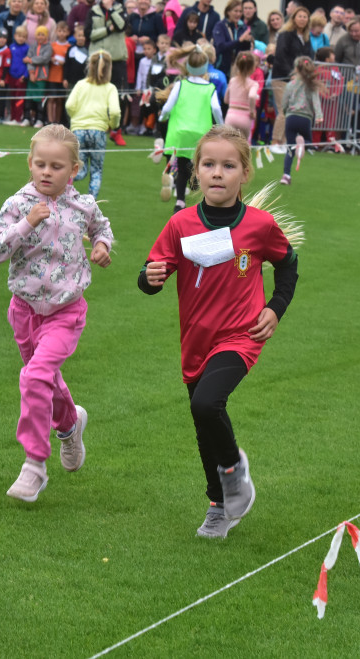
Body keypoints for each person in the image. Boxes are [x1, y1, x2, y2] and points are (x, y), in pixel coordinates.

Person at [138, 124, 299, 539]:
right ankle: (218, 504)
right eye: (208, 164)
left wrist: (275, 308)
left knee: (207, 405)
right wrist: (149, 277)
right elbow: (152, 273)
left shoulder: (260, 226)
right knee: (202, 422)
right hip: (195, 339)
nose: (217, 173)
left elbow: (287, 264)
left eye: (228, 165)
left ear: (245, 173)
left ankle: (234, 470)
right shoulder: (181, 224)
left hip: (240, 335)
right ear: (196, 172)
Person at [0, 123, 114, 503]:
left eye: (56, 166)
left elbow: (101, 226)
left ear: (74, 170)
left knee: (35, 375)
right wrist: (27, 223)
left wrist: (103, 246)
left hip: (66, 311)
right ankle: (70, 425)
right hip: (24, 311)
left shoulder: (83, 204)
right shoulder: (17, 205)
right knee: (44, 378)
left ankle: (34, 465)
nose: (46, 172)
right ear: (30, 163)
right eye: (40, 164)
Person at [159, 44, 222, 212]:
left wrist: (162, 117)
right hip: (201, 132)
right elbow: (216, 109)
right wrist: (221, 127)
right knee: (199, 163)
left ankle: (180, 201)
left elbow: (167, 107)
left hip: (180, 132)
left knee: (181, 164)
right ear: (205, 67)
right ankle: (196, 188)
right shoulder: (210, 88)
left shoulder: (180, 85)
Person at [66, 49, 118, 197]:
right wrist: (113, 125)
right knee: (96, 170)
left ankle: (64, 189)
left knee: (78, 169)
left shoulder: (80, 85)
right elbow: (115, 112)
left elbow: (69, 105)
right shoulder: (110, 88)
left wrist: (75, 119)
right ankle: (91, 202)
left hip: (78, 131)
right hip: (99, 131)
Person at [85, 0, 128, 147]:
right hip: (98, 59)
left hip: (117, 59)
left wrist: (111, 10)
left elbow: (122, 25)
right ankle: (95, 127)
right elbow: (89, 34)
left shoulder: (120, 10)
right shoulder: (93, 11)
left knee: (120, 96)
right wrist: (108, 30)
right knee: (96, 94)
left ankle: (116, 131)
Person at [269, 6, 311, 152]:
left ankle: (285, 142)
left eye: (305, 17)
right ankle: (275, 141)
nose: (302, 19)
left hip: (298, 80)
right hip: (282, 77)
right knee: (283, 109)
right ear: (294, 18)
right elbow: (280, 56)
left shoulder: (305, 37)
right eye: (300, 16)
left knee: (292, 111)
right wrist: (290, 73)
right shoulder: (285, 34)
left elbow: (308, 57)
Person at [279, 56, 322, 185]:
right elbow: (316, 101)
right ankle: (303, 143)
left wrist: (286, 112)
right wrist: (319, 115)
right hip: (305, 118)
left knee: (290, 148)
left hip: (291, 117)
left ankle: (286, 175)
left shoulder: (290, 85)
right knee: (308, 141)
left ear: (296, 69)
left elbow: (284, 102)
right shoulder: (312, 85)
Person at [211, 0, 251, 77]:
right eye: (235, 11)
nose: (238, 14)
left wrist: (248, 41)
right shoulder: (220, 26)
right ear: (228, 12)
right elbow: (220, 46)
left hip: (238, 68)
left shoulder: (243, 27)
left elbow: (246, 50)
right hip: (222, 67)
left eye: (240, 11)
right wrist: (239, 41)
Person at [223, 50, 257, 139]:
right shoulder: (253, 84)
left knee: (229, 143)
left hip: (231, 116)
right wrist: (252, 111)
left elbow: (226, 100)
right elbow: (252, 96)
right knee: (243, 144)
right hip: (245, 117)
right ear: (253, 67)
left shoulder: (232, 81)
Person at [22, 23, 50, 127]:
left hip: (42, 77)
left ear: (46, 36)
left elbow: (44, 59)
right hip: (32, 76)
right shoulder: (33, 46)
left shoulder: (48, 47)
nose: (40, 37)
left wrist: (30, 60)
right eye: (39, 34)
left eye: (43, 34)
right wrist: (31, 72)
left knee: (39, 99)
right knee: (28, 98)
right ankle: (27, 118)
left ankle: (40, 119)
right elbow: (29, 59)